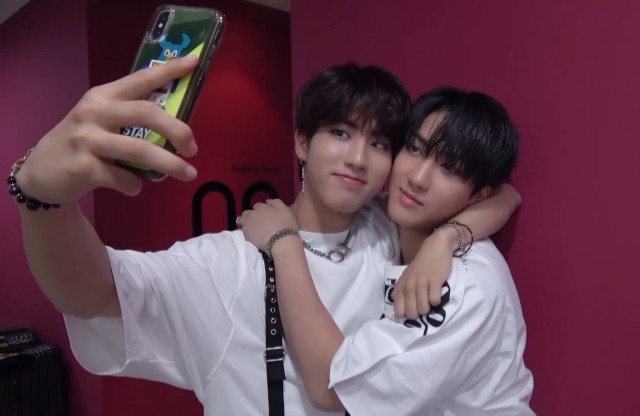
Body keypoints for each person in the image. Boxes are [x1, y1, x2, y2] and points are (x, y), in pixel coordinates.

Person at [10, 58, 519, 415]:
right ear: (302, 141)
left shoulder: (389, 230)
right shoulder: (227, 262)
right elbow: (94, 293)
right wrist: (41, 200)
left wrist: (447, 237)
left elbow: (504, 197)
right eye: (341, 133)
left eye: (380, 142)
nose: (358, 158)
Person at [240, 87, 533, 415]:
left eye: (449, 168)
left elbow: (332, 389)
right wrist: (445, 238)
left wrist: (283, 242)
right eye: (415, 149)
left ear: (478, 195)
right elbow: (508, 197)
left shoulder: (465, 285)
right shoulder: (386, 216)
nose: (417, 178)